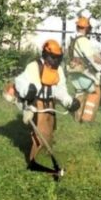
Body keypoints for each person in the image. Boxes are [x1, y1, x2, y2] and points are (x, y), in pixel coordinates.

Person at [13, 39, 79, 172]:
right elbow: (30, 89)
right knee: (40, 134)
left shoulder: (58, 70)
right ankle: (35, 163)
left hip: (50, 104)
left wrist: (68, 102)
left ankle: (46, 158)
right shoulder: (34, 67)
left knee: (49, 132)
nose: (55, 61)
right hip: (36, 102)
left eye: (57, 58)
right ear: (45, 54)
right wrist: (29, 108)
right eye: (52, 57)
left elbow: (60, 90)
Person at [68, 15, 101, 123]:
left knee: (79, 93)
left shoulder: (72, 39)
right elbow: (91, 58)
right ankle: (87, 119)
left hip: (73, 70)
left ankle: (76, 119)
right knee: (95, 92)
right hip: (83, 71)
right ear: (86, 28)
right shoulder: (84, 40)